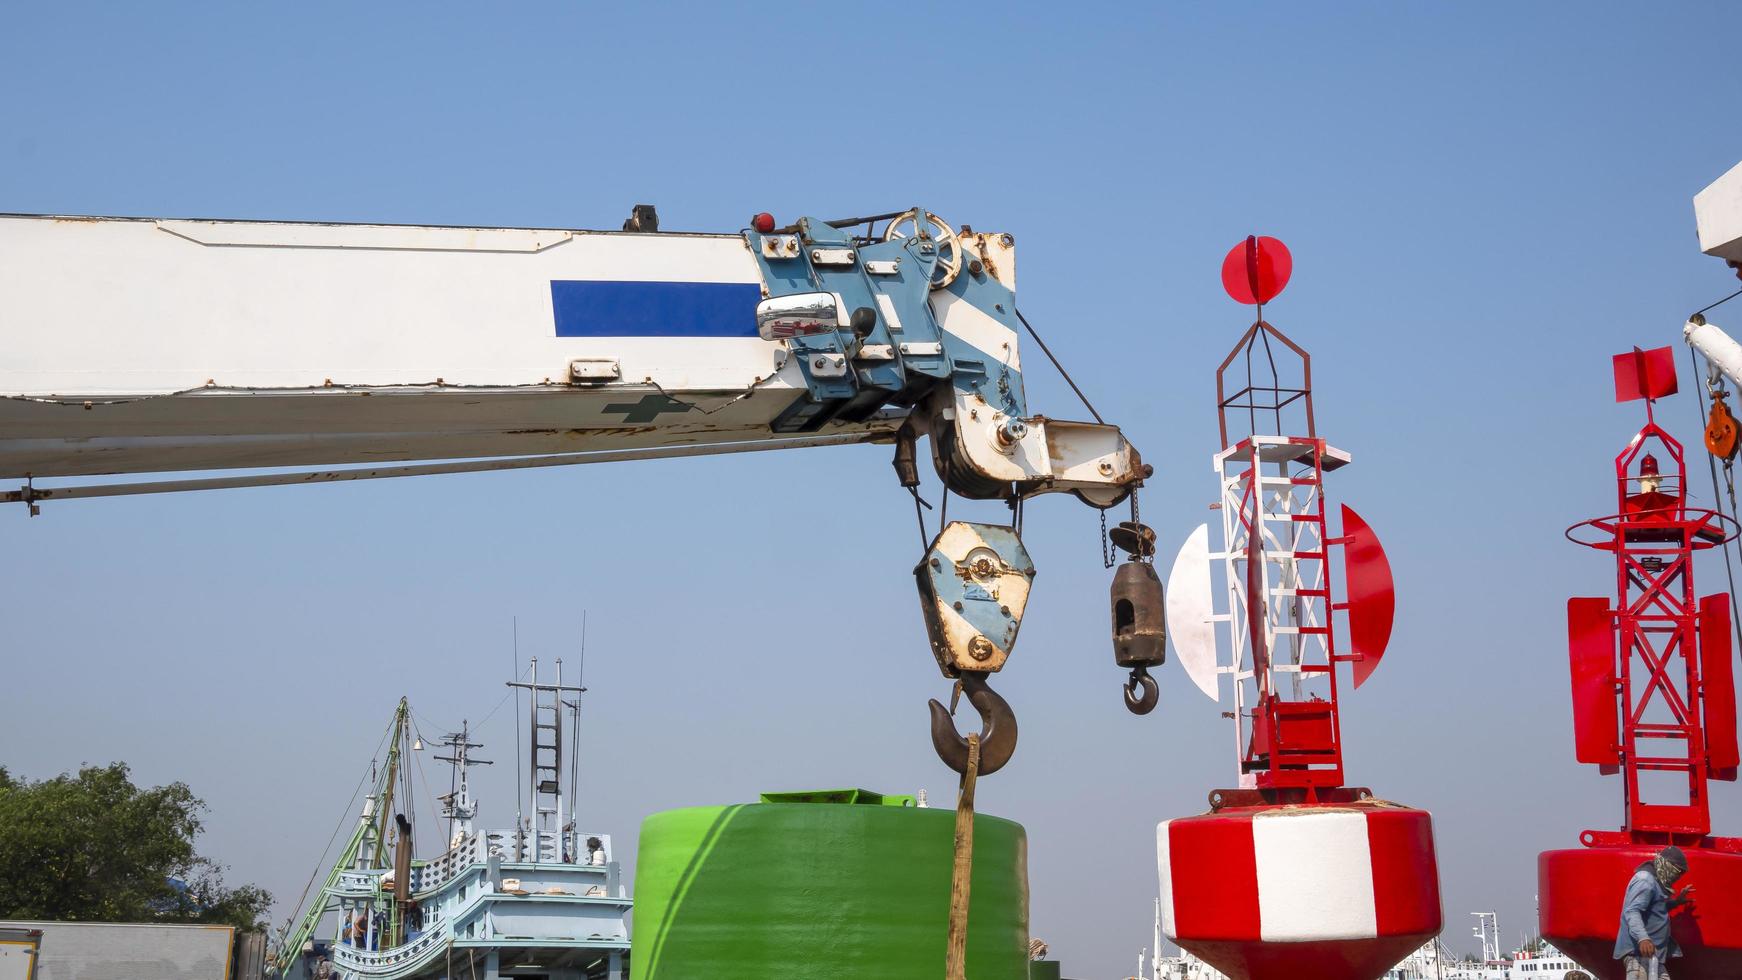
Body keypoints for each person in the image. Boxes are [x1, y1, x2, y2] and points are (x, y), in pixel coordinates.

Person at [1615, 846, 1694, 979]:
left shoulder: (1657, 882)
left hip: (1652, 954)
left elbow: (1656, 909)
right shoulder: (1645, 880)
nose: (1678, 877)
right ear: (1667, 865)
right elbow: (1633, 911)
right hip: (1638, 953)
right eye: (1678, 872)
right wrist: (1643, 938)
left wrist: (1676, 902)